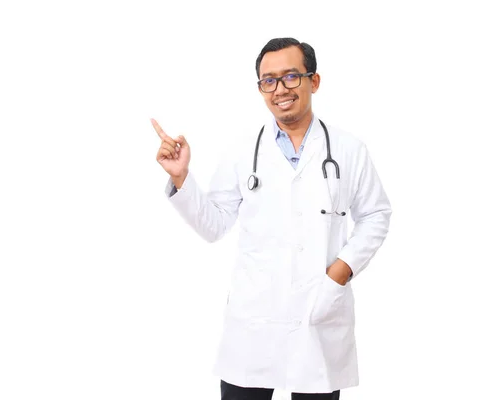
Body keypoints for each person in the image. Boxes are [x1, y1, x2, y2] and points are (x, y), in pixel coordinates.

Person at [151, 37, 392, 400]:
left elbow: (376, 214)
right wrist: (181, 177)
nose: (280, 89)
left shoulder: (348, 150)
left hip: (318, 312)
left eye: (291, 76)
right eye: (269, 80)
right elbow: (214, 225)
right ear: (261, 87)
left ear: (314, 81)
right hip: (254, 321)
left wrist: (340, 271)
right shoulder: (241, 152)